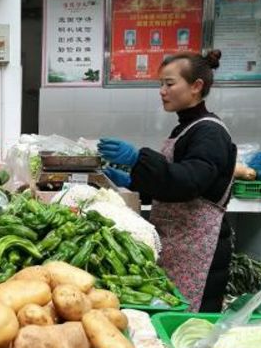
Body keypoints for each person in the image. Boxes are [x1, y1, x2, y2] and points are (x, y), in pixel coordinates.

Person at [98, 50, 236, 313]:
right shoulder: (187, 127)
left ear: (196, 87)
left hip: (198, 249)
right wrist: (133, 183)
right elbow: (171, 185)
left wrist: (137, 158)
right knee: (171, 313)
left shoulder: (209, 132)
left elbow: (188, 182)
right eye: (161, 83)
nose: (162, 90)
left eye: (169, 84)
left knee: (189, 324)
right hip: (179, 242)